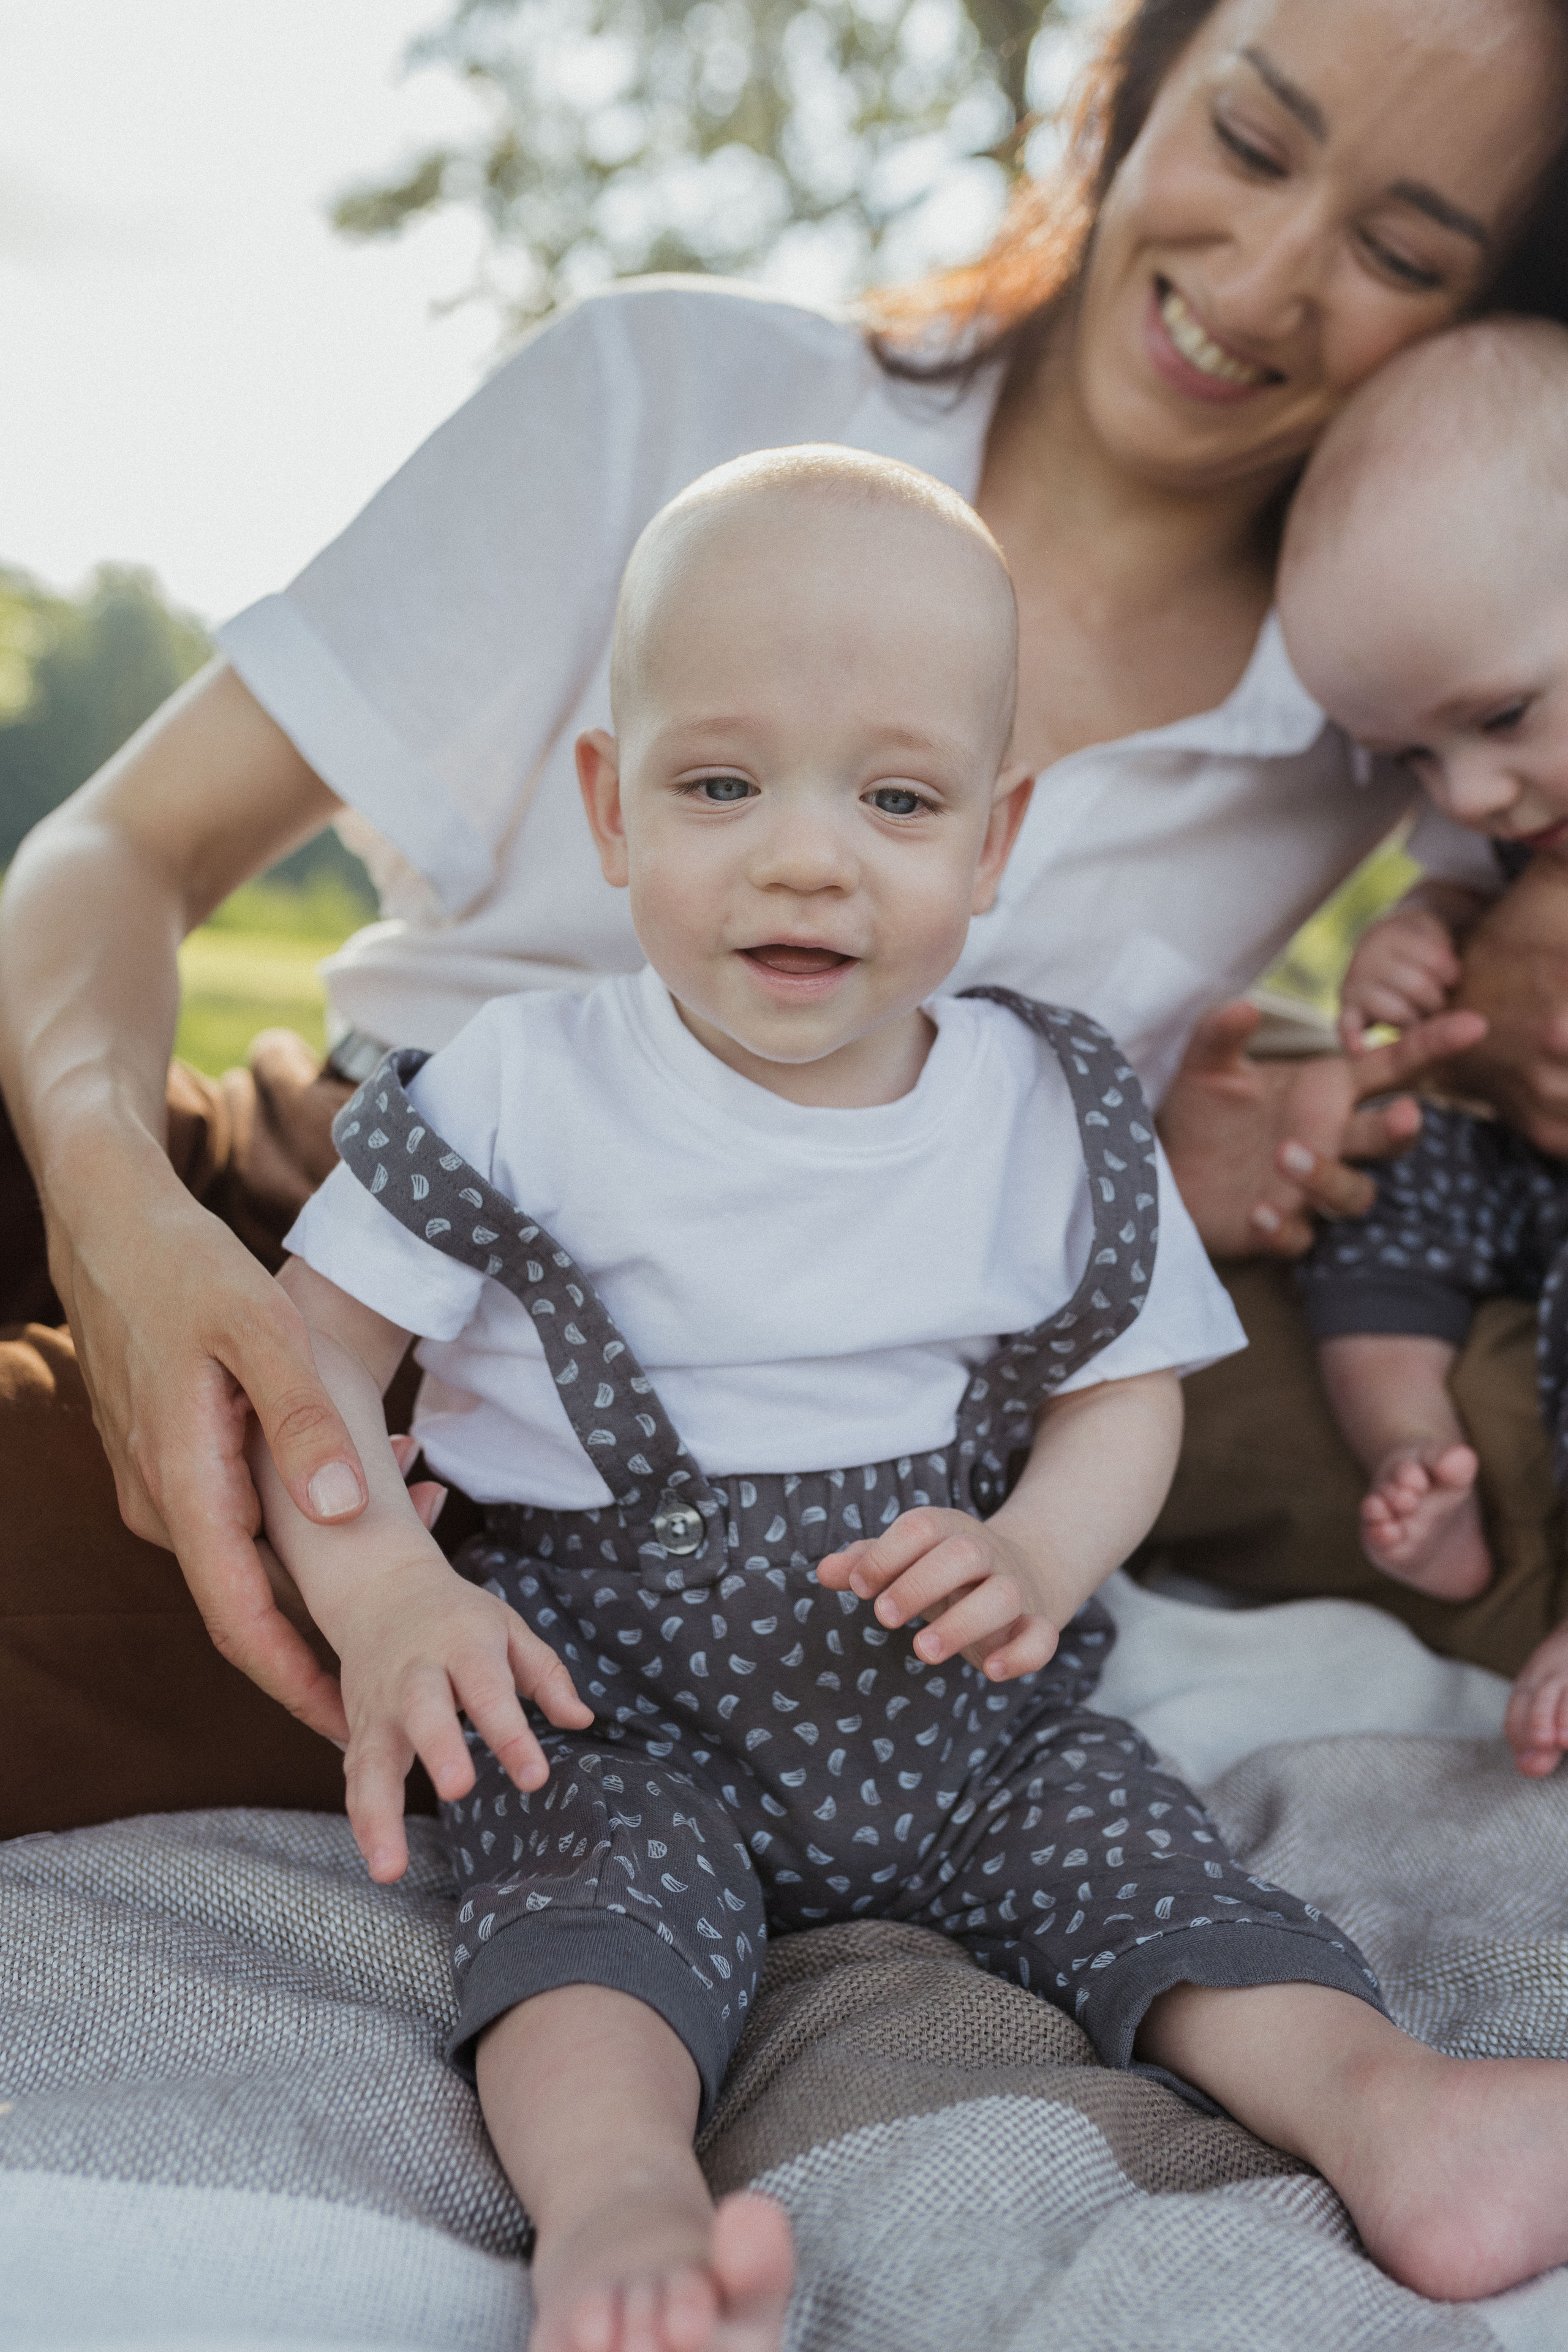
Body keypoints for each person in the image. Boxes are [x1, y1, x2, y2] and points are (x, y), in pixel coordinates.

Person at [5, 0, 1568, 1836]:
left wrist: (1270, 1089)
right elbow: (117, 848)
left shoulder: (1393, 704)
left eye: (1399, 250)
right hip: (278, 1170)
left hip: (580, 1449)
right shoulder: (668, 389)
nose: (1270, 269)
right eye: (1246, 137)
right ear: (1134, 99)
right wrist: (115, 1215)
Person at [255, 452, 1568, 2347]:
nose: (809, 857)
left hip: (954, 1696)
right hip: (606, 1702)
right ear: (613, 811)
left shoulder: (1040, 1104)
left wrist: (1040, 1548)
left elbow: (1124, 1398)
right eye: (723, 785)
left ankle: (1396, 2113)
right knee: (583, 1924)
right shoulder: (514, 1093)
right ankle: (620, 2211)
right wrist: (389, 1594)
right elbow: (311, 1357)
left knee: (1137, 1861)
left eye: (894, 798)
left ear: (994, 835)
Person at [1276, 316, 1568, 1774]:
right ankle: (1410, 1455)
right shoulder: (1499, 805)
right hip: (1511, 1166)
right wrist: (1425, 927)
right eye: (1415, 759)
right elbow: (1462, 881)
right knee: (1381, 1184)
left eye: (1501, 719)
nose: (1475, 790)